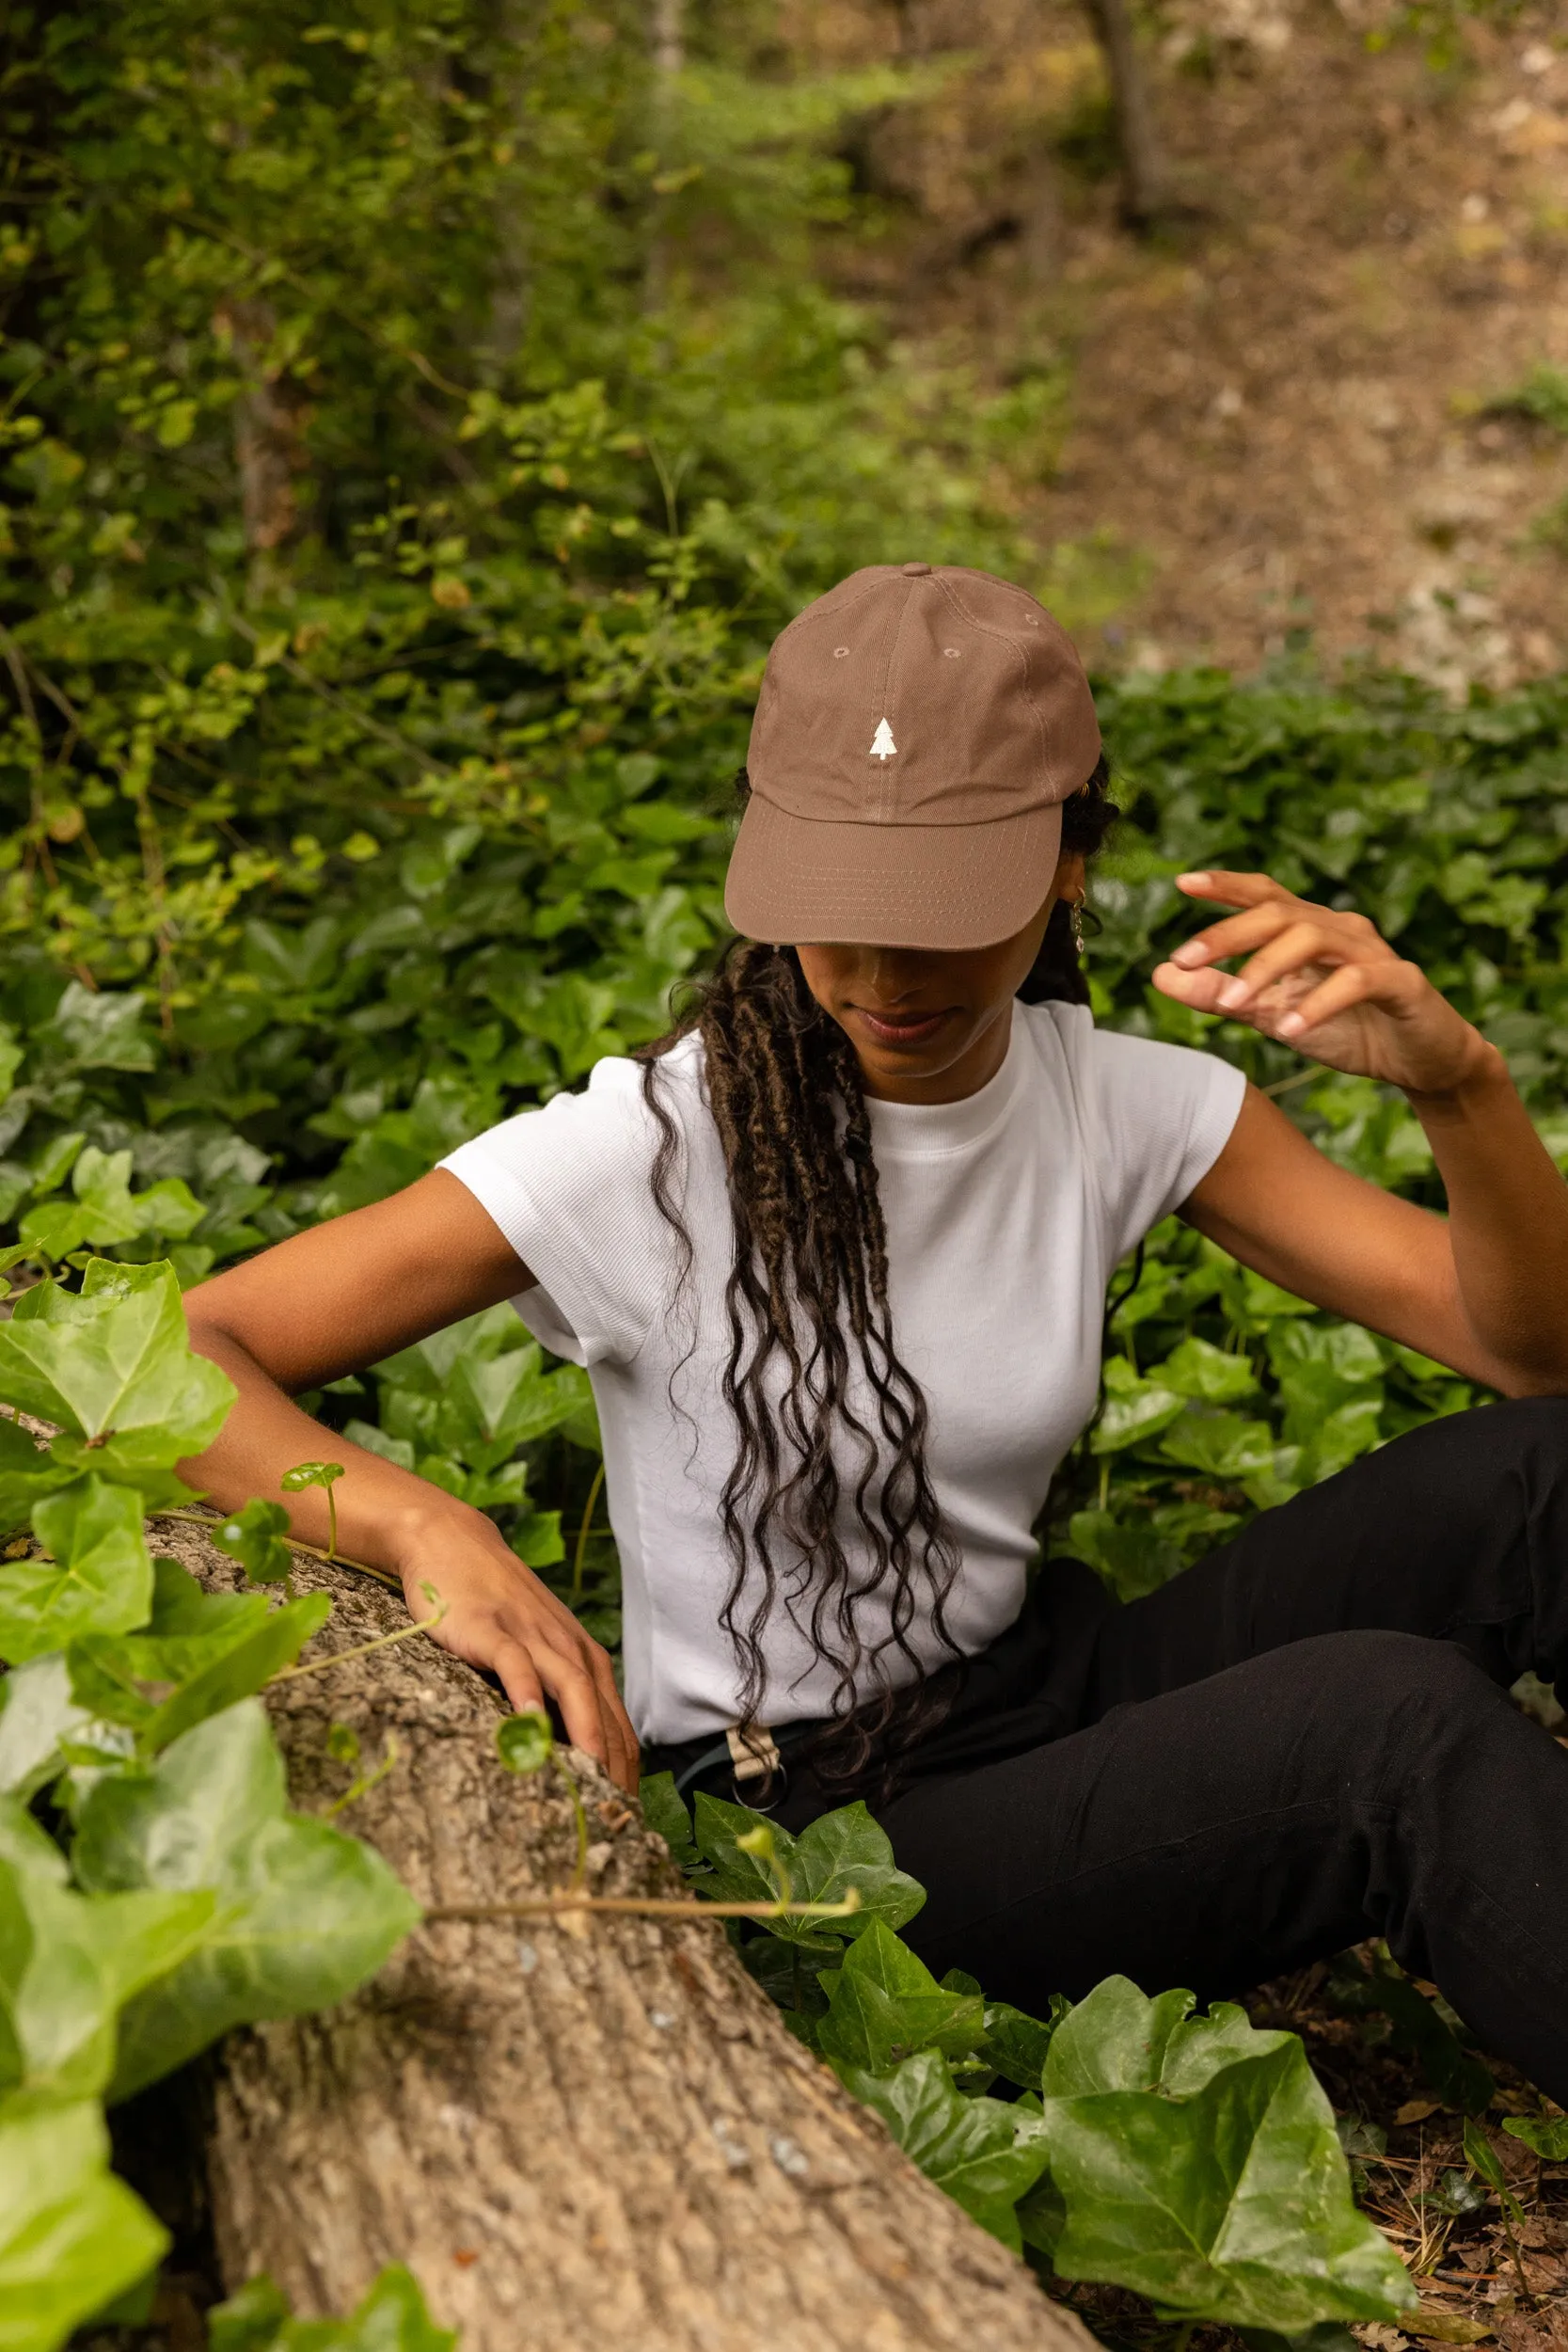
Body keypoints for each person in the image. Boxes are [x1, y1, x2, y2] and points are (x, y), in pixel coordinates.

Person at [183, 561, 1568, 2099]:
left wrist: (1459, 1088)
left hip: (1035, 1689)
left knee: (1542, 1477)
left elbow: (1523, 1354)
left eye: (937, 913)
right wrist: (417, 1525)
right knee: (1387, 1738)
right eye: (838, 909)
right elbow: (188, 1350)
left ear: (1063, 863)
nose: (881, 975)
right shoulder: (651, 1151)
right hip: (812, 1826)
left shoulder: (1113, 1103)